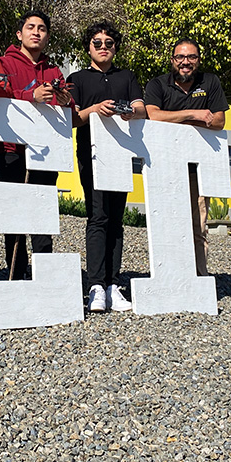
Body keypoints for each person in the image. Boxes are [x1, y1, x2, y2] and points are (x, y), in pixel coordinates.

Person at [67, 21, 145, 312]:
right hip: (91, 154)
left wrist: (127, 110)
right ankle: (96, 286)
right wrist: (93, 110)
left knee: (116, 219)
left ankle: (113, 285)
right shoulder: (77, 78)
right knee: (97, 216)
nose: (103, 47)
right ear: (89, 47)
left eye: (108, 43)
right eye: (97, 42)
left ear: (115, 47)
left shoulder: (127, 76)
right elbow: (72, 119)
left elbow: (142, 108)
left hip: (121, 153)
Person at [0, 10, 73, 280]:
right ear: (20, 34)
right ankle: (15, 272)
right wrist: (31, 95)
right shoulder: (4, 63)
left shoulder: (53, 70)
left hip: (46, 152)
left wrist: (64, 100)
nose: (36, 32)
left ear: (47, 36)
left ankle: (45, 273)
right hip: (10, 150)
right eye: (31, 27)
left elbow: (70, 106)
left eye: (41, 28)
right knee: (14, 214)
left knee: (42, 213)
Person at [144, 39, 228, 277]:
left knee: (198, 226)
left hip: (198, 169)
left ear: (198, 60)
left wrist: (178, 119)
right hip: (163, 166)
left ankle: (200, 276)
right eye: (180, 57)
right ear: (173, 60)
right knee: (166, 223)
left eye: (191, 57)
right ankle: (169, 275)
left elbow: (219, 121)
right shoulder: (158, 84)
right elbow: (154, 117)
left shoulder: (210, 82)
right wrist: (195, 114)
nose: (185, 62)